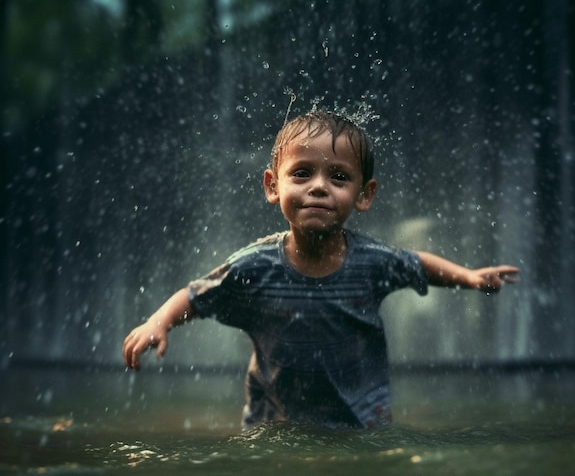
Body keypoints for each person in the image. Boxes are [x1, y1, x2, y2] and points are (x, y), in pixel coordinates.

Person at [122, 110, 519, 429]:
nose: (318, 187)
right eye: (301, 173)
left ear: (364, 195)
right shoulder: (254, 266)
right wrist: (160, 322)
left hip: (361, 419)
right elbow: (195, 295)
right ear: (272, 186)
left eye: (339, 177)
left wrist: (467, 277)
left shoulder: (370, 261)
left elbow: (418, 264)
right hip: (274, 422)